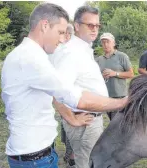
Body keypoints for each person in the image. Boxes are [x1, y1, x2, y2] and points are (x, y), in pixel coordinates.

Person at [1, 3, 127, 168]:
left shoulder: (27, 55)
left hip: (36, 154)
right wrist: (123, 102)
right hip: (35, 158)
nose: (62, 39)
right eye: (60, 32)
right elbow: (73, 97)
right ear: (45, 26)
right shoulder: (30, 59)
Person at [49, 6, 111, 168]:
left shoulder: (84, 50)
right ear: (76, 26)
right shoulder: (70, 52)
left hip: (90, 119)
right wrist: (71, 118)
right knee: (87, 163)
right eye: (90, 25)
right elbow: (56, 91)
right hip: (84, 121)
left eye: (97, 25)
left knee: (91, 162)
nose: (95, 29)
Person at [96, 32, 134, 120]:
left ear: (113, 43)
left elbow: (131, 74)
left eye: (107, 42)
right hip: (105, 97)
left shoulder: (122, 56)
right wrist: (101, 76)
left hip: (119, 97)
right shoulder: (99, 59)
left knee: (118, 124)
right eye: (103, 42)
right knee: (112, 122)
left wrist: (115, 73)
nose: (105, 44)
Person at [59, 23, 75, 164]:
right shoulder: (60, 50)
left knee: (71, 125)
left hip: (72, 96)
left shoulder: (74, 51)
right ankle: (69, 152)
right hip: (61, 96)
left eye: (62, 34)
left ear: (68, 35)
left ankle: (71, 156)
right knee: (65, 126)